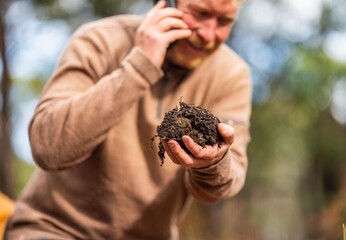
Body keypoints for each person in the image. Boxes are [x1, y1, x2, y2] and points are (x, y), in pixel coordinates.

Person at [5, 0, 252, 239]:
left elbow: (225, 182)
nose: (209, 35)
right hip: (53, 229)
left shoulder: (231, 74)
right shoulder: (99, 40)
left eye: (224, 21)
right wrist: (140, 66)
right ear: (166, 3)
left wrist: (214, 161)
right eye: (199, 13)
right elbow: (47, 146)